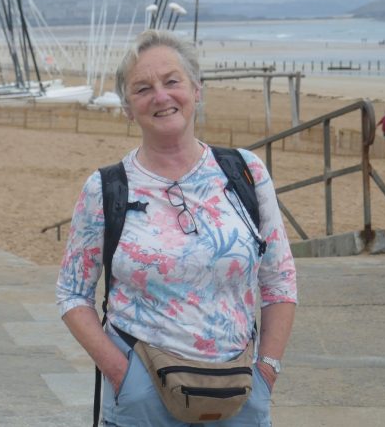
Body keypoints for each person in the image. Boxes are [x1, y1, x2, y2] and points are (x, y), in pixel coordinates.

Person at [56, 30, 297, 427]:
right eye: (143, 88)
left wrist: (266, 371)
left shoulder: (246, 172)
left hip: (240, 393)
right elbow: (71, 292)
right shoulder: (106, 188)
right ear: (128, 108)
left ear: (196, 90)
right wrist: (122, 375)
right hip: (144, 398)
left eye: (172, 82)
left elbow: (280, 281)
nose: (161, 96)